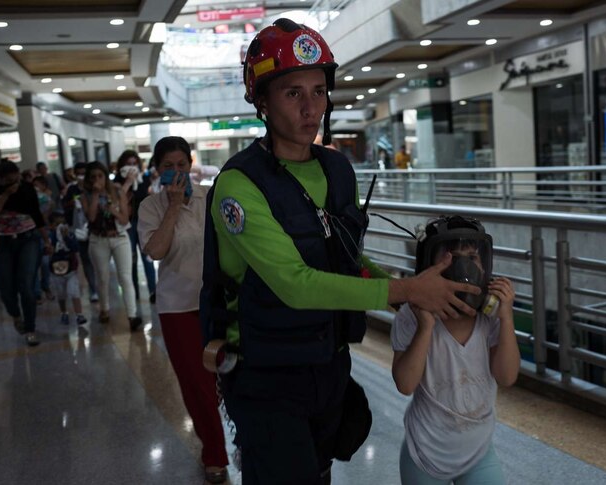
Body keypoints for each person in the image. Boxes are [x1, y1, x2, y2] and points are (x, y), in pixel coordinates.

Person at [201, 18, 480, 485]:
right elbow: (293, 283)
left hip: (328, 365)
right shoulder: (239, 185)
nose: (311, 107)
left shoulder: (336, 168)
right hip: (266, 373)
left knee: (321, 474)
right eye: (293, 93)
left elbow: (346, 260)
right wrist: (407, 288)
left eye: (318, 91)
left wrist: (413, 293)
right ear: (262, 102)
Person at [391, 216, 519, 484]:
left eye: (472, 257)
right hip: (424, 455)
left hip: (478, 454)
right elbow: (405, 384)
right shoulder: (411, 317)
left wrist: (506, 319)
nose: (464, 267)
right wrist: (425, 326)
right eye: (451, 258)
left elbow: (507, 376)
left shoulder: (490, 319)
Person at [137, 136, 229, 484]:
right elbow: (156, 252)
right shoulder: (151, 207)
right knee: (198, 385)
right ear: (156, 170)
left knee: (234, 375)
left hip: (220, 301)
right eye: (166, 167)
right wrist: (174, 206)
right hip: (179, 308)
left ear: (190, 164)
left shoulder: (211, 196)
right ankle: (215, 455)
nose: (175, 172)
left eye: (180, 165)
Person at [0, 159, 53, 346]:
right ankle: (15, 314)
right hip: (1, 242)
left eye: (15, 179)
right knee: (6, 288)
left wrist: (46, 240)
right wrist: (5, 194)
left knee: (26, 285)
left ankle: (30, 328)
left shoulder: (27, 188)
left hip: (27, 239)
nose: (13, 184)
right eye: (8, 181)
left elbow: (37, 215)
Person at [80, 161, 142, 330]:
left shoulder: (116, 191)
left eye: (100, 176)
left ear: (105, 176)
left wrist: (112, 209)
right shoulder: (84, 195)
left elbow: (124, 219)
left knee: (125, 277)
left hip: (120, 237)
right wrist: (94, 195)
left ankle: (132, 316)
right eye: (93, 177)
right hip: (98, 239)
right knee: (102, 277)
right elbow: (91, 218)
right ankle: (104, 309)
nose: (97, 179)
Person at [115, 150, 157, 303]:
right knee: (130, 259)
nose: (132, 167)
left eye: (134, 164)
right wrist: (127, 183)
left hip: (143, 223)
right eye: (128, 164)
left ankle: (153, 291)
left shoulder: (144, 180)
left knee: (148, 257)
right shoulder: (117, 183)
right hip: (126, 225)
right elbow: (117, 200)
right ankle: (134, 293)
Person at [62, 162, 100, 303]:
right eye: (79, 173)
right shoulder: (72, 189)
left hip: (96, 228)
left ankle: (100, 287)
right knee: (86, 260)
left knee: (99, 260)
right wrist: (73, 202)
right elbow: (65, 206)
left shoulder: (95, 189)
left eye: (84, 173)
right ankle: (93, 289)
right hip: (80, 230)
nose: (81, 176)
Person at [47, 212, 87, 326]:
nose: (60, 226)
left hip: (71, 270)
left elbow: (75, 248)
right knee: (61, 294)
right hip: (56, 270)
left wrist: (66, 237)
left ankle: (79, 314)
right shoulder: (50, 236)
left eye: (63, 223)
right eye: (57, 224)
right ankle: (64, 312)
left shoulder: (70, 235)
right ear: (51, 226)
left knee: (74, 292)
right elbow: (48, 250)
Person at [32, 176, 55, 303]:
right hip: (32, 235)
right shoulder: (29, 200)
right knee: (34, 264)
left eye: (38, 185)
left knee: (45, 263)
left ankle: (45, 285)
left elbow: (47, 217)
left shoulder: (47, 200)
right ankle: (37, 293)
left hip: (45, 233)